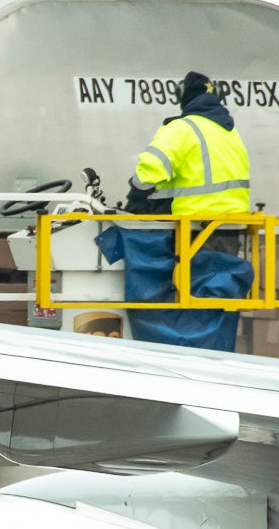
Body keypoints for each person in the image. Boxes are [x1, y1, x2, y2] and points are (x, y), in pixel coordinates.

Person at [94, 70, 256, 350]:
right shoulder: (228, 131)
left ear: (185, 97)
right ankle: (208, 357)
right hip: (229, 228)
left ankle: (171, 354)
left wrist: (136, 195)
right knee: (210, 301)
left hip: (194, 228)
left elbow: (150, 171)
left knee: (181, 297)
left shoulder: (183, 128)